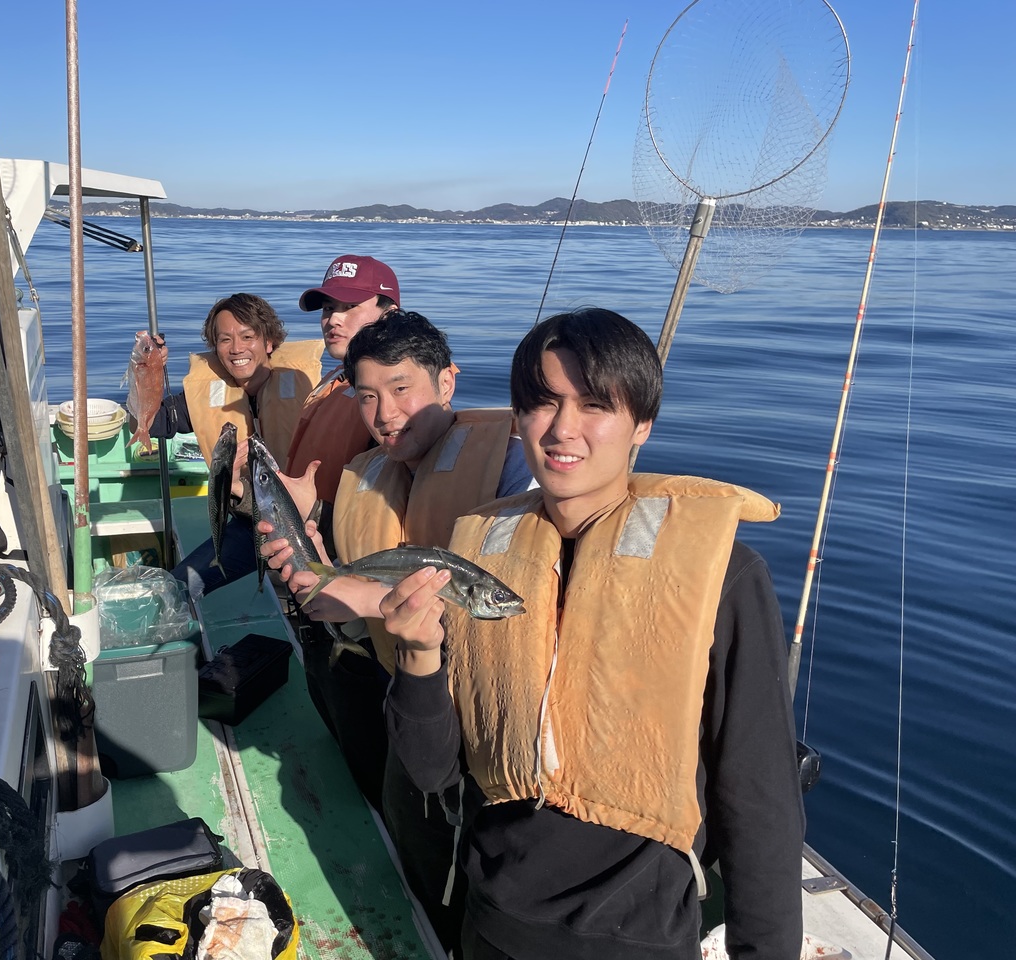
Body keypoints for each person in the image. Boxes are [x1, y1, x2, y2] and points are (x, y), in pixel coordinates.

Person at [380, 307, 804, 960]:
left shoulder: (724, 576)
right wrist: (418, 655)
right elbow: (431, 770)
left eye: (595, 404)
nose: (562, 429)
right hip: (491, 923)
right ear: (518, 417)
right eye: (541, 403)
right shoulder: (478, 558)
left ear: (643, 424)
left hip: (637, 940)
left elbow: (760, 796)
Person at [262, 310, 531, 955]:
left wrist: (374, 600)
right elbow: (345, 589)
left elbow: (514, 610)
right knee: (408, 857)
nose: (385, 414)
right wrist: (313, 559)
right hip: (399, 702)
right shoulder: (367, 473)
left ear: (447, 383)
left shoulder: (514, 467)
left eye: (402, 388)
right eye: (367, 396)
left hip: (477, 733)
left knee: (464, 884)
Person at [151, 293, 321, 593]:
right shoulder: (205, 397)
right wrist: (148, 371)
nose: (236, 348)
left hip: (304, 522)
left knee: (318, 596)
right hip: (248, 526)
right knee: (175, 589)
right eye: (225, 339)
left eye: (247, 336)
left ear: (269, 342)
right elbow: (151, 422)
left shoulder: (311, 392)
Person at [279, 254, 399, 548]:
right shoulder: (338, 378)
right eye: (329, 308)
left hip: (338, 558)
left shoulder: (396, 404)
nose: (333, 319)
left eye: (350, 307)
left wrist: (310, 513)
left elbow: (386, 524)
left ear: (389, 315)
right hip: (296, 534)